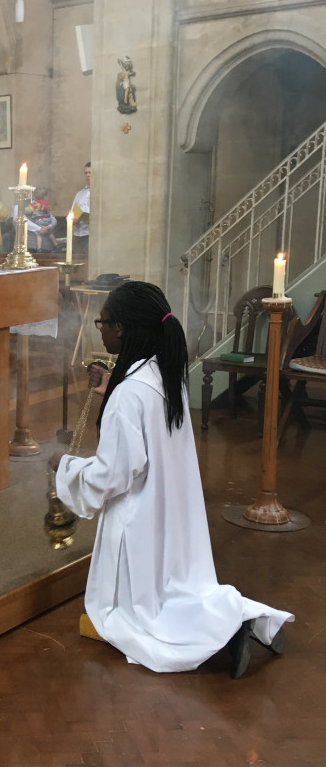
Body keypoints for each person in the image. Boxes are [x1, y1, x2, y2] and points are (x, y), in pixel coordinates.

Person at [49, 281, 292, 677]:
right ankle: (248, 618)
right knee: (182, 590)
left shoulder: (130, 394)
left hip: (141, 519)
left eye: (103, 322)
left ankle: (227, 634)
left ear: (123, 329)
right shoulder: (164, 375)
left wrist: (66, 465)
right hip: (172, 512)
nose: (100, 329)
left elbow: (113, 474)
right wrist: (112, 387)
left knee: (143, 617)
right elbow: (144, 425)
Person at [25, 185, 60, 253]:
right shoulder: (45, 203)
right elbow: (24, 221)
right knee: (50, 233)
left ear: (34, 195)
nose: (27, 195)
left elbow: (53, 219)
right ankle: (56, 244)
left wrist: (47, 227)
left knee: (39, 235)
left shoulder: (34, 204)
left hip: (40, 223)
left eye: (29, 193)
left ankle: (39, 248)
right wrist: (44, 227)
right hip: (29, 245)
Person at [69, 162, 91, 255]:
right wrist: (73, 219)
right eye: (86, 173)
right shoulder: (79, 194)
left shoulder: (101, 194)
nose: (88, 175)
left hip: (91, 235)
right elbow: (72, 212)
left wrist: (83, 217)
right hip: (78, 234)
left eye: (90, 172)